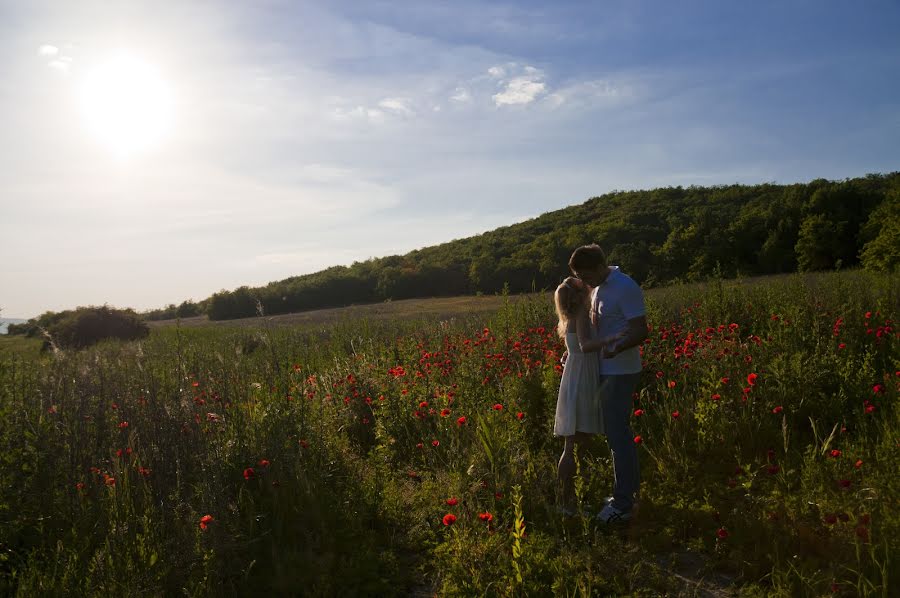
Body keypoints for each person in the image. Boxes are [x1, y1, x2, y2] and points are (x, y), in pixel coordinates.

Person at [568, 244, 648, 524]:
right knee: (616, 433)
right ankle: (626, 494)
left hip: (620, 370)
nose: (584, 280)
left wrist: (618, 347)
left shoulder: (624, 286)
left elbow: (640, 329)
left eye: (585, 274)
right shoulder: (599, 287)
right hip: (604, 369)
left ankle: (624, 504)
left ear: (600, 266)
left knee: (618, 434)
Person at [553, 276, 623, 515]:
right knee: (573, 443)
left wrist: (568, 355)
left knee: (578, 442)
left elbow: (573, 348)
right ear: (578, 294)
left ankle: (572, 497)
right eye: (582, 283)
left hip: (576, 374)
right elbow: (584, 345)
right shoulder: (582, 314)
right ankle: (566, 501)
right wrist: (612, 338)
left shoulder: (569, 317)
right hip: (582, 378)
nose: (587, 283)